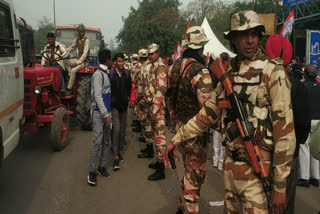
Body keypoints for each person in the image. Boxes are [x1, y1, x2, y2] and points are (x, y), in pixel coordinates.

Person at [165, 10, 295, 214]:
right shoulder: (229, 73)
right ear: (233, 38)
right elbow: (207, 113)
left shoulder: (273, 72)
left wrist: (279, 185)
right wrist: (177, 138)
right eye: (244, 35)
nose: (250, 40)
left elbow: (285, 134)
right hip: (231, 169)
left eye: (254, 34)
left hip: (259, 172)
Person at [166, 26, 214, 213]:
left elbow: (169, 96)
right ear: (200, 47)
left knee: (185, 170)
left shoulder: (174, 67)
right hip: (195, 131)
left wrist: (174, 117)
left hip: (179, 126)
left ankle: (181, 206)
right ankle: (189, 209)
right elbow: (208, 108)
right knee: (194, 175)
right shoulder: (200, 71)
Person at [266, 34, 310, 214]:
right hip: (289, 158)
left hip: (264, 153)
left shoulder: (262, 81)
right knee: (285, 204)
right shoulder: (298, 87)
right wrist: (294, 146)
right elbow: (303, 124)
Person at [87, 49, 112, 186]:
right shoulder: (98, 75)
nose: (112, 62)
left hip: (107, 113)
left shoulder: (105, 74)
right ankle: (92, 172)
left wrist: (109, 115)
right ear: (107, 60)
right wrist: (106, 115)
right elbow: (97, 96)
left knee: (106, 141)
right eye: (111, 59)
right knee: (97, 142)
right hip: (99, 114)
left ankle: (102, 167)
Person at [144, 43, 168, 181]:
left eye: (152, 53)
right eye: (149, 54)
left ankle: (161, 169)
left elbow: (161, 89)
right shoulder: (153, 67)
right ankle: (159, 162)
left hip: (157, 108)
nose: (150, 56)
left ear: (158, 53)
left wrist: (154, 109)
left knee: (160, 139)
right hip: (152, 106)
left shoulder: (160, 68)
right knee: (155, 136)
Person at [298, 64, 320, 188]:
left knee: (304, 146)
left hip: (307, 119)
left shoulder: (304, 86)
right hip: (318, 120)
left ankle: (304, 177)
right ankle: (315, 177)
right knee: (314, 148)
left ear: (305, 74)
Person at [110, 52, 132, 170]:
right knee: (117, 129)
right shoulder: (111, 74)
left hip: (124, 106)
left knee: (122, 131)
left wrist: (128, 97)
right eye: (118, 61)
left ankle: (117, 149)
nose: (121, 63)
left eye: (122, 61)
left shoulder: (127, 73)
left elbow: (129, 87)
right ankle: (116, 157)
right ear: (114, 62)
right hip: (114, 106)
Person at [64, 24, 90, 96]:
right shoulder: (76, 39)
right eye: (81, 32)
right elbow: (72, 48)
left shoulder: (86, 40)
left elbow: (85, 54)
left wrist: (78, 62)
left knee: (73, 70)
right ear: (78, 32)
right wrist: (64, 51)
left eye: (83, 31)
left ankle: (69, 89)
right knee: (64, 61)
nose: (83, 33)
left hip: (84, 62)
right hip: (78, 60)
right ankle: (70, 76)